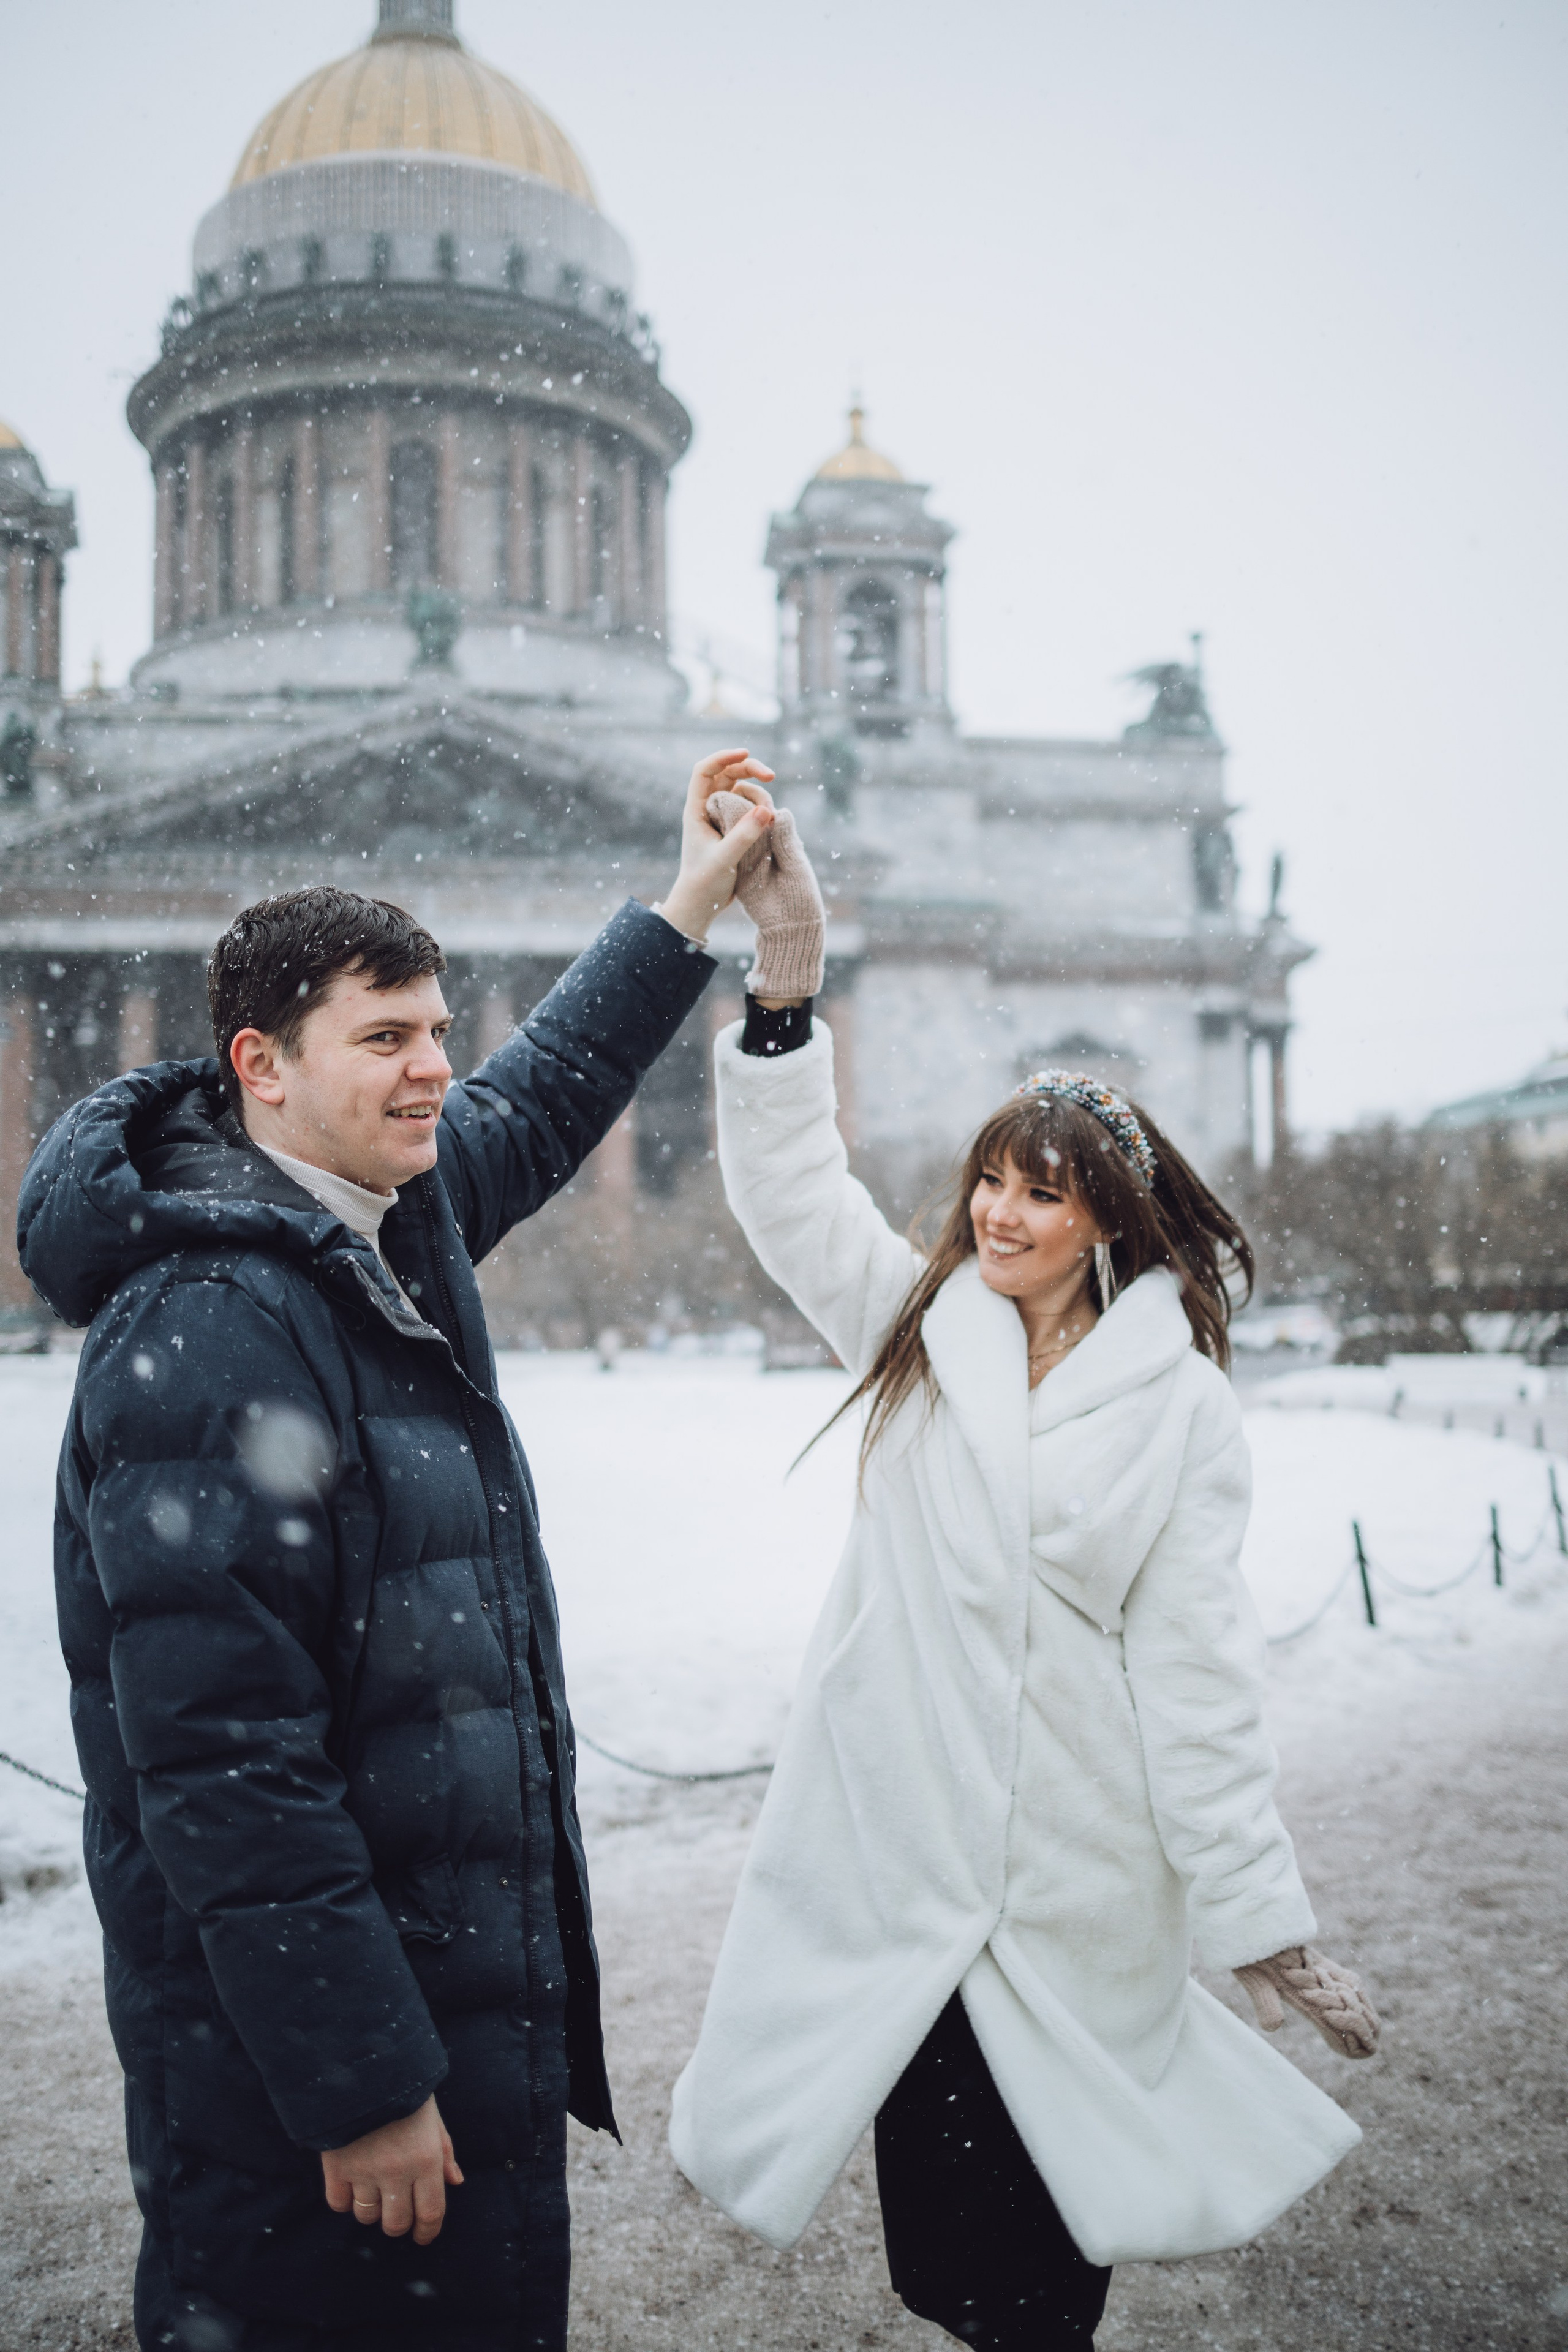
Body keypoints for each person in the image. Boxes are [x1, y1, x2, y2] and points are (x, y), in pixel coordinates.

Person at [15, 752, 777, 2352]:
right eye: (387, 1039)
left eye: (438, 1029)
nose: (436, 1069)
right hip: (314, 2089)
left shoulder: (377, 1218)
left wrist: (693, 901)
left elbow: (551, 1085)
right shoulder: (212, 1332)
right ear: (262, 1068)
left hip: (433, 2020)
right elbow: (224, 1767)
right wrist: (362, 2086)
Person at [669, 778, 1381, 2349]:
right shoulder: (921, 1336)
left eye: (1038, 1192)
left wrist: (1257, 1921)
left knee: (1036, 2282)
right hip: (906, 1881)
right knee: (941, 2263)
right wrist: (783, 986)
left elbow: (1194, 1674)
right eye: (989, 1179)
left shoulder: (1181, 1411)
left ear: (1104, 1226)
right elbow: (791, 1194)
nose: (996, 1211)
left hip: (1072, 1893)